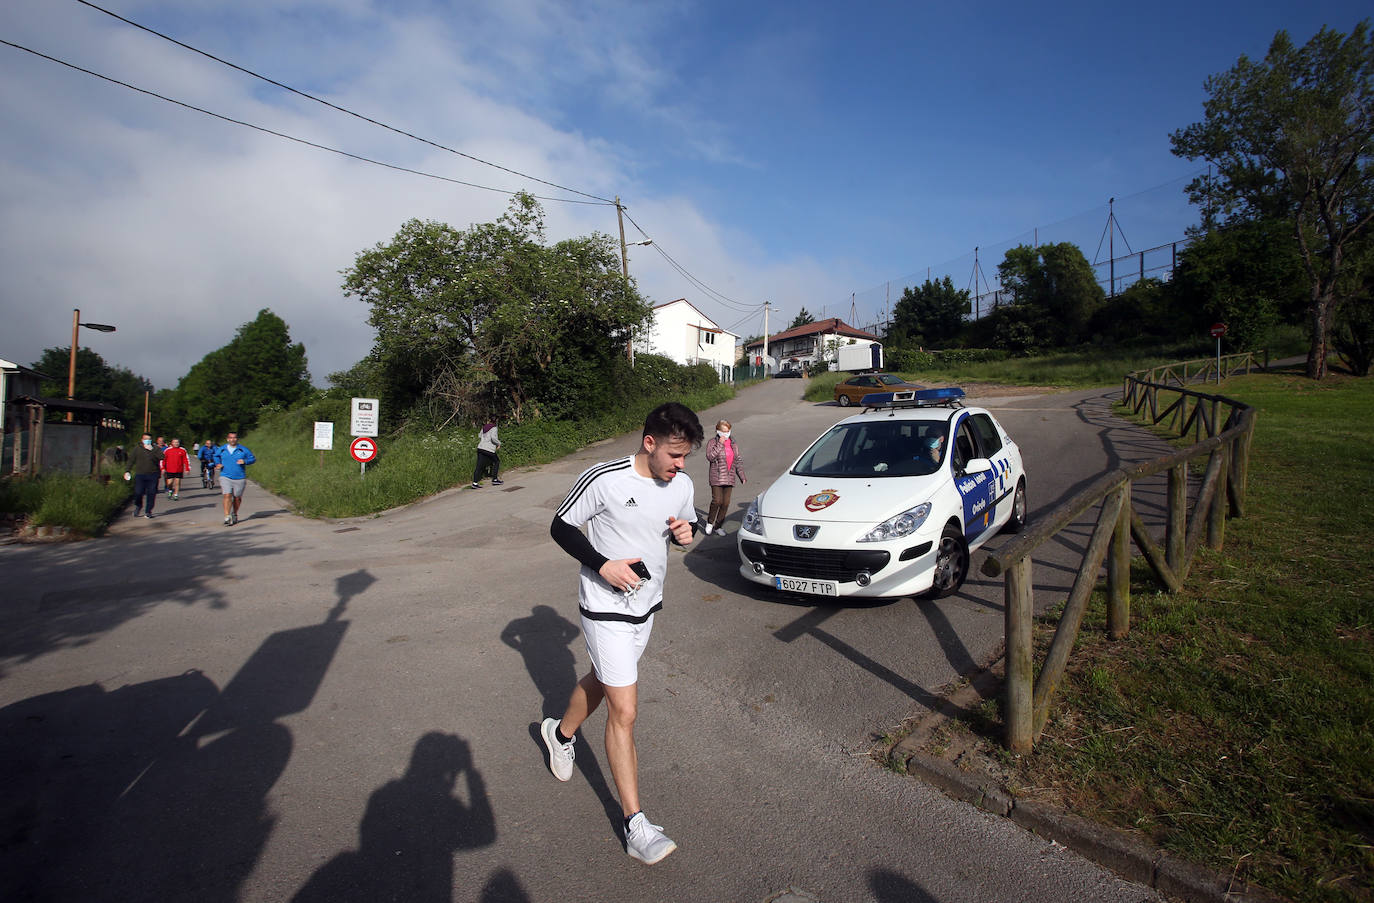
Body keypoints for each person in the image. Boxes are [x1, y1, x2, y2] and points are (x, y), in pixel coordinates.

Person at [541, 402, 703, 865]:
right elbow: (560, 525)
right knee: (625, 709)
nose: (680, 465)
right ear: (649, 442)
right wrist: (603, 564)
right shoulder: (605, 479)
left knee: (604, 679)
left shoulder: (681, 483)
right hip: (603, 605)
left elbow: (682, 524)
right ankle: (636, 825)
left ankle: (561, 733)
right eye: (674, 454)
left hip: (646, 606)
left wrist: (684, 533)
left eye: (686, 456)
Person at [702, 419, 745, 535]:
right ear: (718, 431)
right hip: (717, 476)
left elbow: (738, 460)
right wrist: (720, 443)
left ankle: (718, 526)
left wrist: (741, 475)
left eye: (728, 431)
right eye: (724, 431)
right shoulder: (712, 442)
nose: (726, 434)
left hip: (729, 477)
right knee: (717, 501)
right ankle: (710, 523)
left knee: (725, 503)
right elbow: (710, 457)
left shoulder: (733, 444)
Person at [216, 431, 256, 526]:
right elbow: (216, 456)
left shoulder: (243, 449)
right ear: (227, 439)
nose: (232, 439)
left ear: (237, 439)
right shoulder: (222, 449)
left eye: (234, 438)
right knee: (227, 495)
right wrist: (217, 463)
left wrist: (245, 461)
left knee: (237, 497)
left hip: (239, 477)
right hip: (225, 476)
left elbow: (252, 459)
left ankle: (234, 513)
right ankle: (226, 516)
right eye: (230, 438)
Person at [126, 433, 163, 519]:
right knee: (138, 492)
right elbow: (131, 460)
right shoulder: (137, 449)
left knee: (151, 493)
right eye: (146, 439)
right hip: (140, 474)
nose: (147, 441)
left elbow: (162, 457)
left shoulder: (155, 448)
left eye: (149, 439)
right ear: (142, 440)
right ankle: (138, 505)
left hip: (153, 474)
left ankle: (148, 511)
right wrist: (127, 470)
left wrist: (152, 450)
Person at [471, 420, 503, 488]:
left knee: (479, 466)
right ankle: (494, 479)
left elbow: (479, 436)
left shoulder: (484, 427)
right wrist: (499, 443)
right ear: (495, 422)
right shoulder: (494, 428)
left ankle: (475, 483)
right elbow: (493, 438)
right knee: (497, 461)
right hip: (489, 449)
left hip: (480, 448)